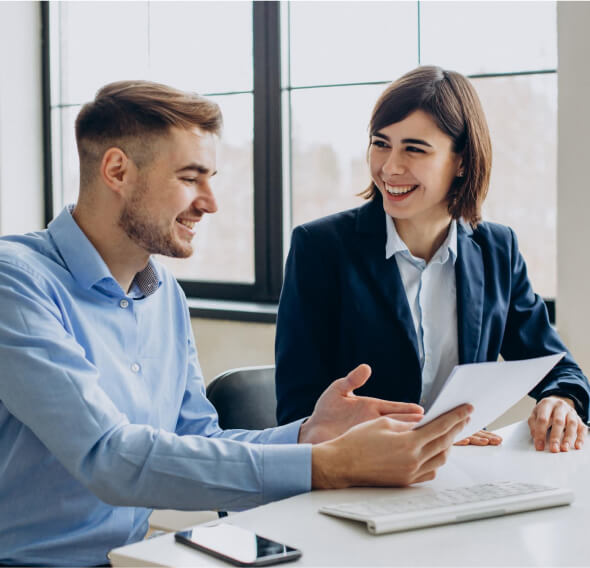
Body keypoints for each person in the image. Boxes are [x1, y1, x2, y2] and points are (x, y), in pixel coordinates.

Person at [0, 80, 473, 567]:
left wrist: (308, 435)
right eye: (190, 178)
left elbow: (199, 438)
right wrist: (324, 466)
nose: (210, 201)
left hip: (134, 559)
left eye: (211, 178)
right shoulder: (15, 283)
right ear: (117, 170)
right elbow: (107, 456)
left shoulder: (164, 295)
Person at [275, 65, 589, 452]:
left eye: (414, 149)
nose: (390, 167)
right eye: (380, 143)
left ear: (461, 161)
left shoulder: (497, 250)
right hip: (358, 477)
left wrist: (562, 401)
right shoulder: (319, 248)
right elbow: (297, 413)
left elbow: (558, 366)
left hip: (462, 474)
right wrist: (414, 434)